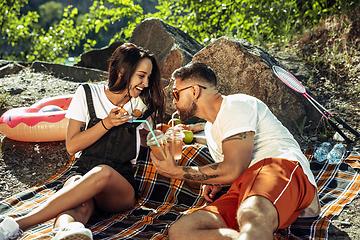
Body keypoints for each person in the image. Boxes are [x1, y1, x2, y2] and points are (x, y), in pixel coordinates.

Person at [0, 43, 165, 240]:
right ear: (122, 71)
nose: (146, 83)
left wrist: (163, 137)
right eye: (141, 75)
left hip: (118, 184)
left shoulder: (142, 105)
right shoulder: (88, 94)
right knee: (79, 204)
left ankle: (18, 224)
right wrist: (107, 123)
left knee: (102, 172)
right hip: (83, 170)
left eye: (148, 77)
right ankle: (66, 231)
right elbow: (72, 146)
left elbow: (150, 141)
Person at [150, 62, 321, 240]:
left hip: (277, 167)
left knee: (251, 215)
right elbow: (231, 168)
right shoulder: (210, 127)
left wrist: (176, 171)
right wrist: (218, 180)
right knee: (182, 231)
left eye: (176, 94)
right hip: (243, 188)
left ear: (194, 91)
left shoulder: (236, 105)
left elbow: (233, 169)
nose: (174, 101)